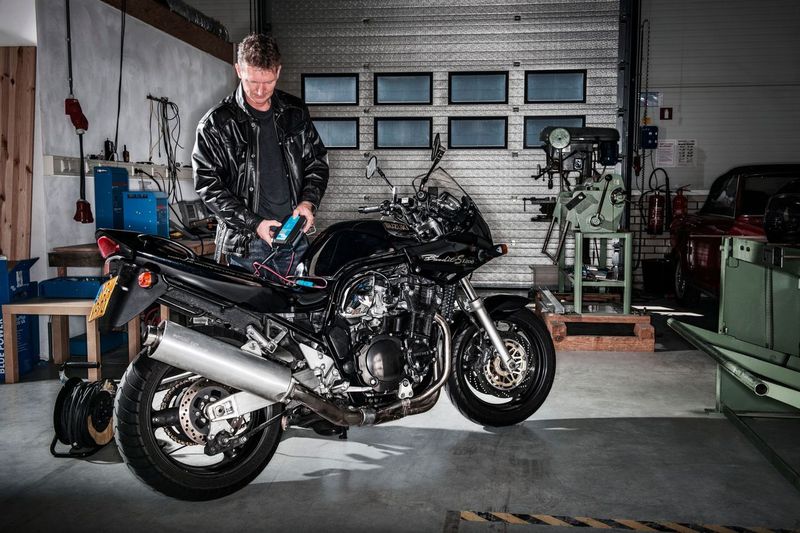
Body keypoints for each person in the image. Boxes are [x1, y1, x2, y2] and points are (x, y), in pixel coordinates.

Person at [193, 34, 328, 281]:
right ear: (238, 70)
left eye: (268, 82)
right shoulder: (216, 124)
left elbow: (317, 161)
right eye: (252, 80)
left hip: (293, 237)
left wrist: (308, 202)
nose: (259, 90)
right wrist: (255, 224)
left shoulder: (294, 112)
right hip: (246, 245)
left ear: (278, 71)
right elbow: (208, 186)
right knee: (249, 318)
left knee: (297, 315)